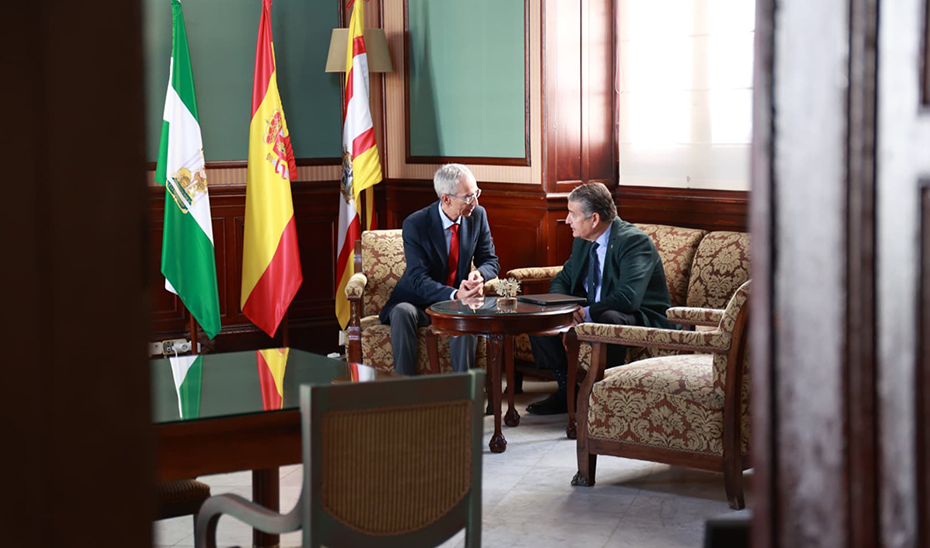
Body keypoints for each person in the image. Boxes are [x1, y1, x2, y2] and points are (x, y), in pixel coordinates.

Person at [526, 182, 673, 414]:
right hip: (597, 308)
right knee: (541, 315)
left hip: (638, 316)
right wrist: (568, 310)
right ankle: (566, 390)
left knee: (608, 318)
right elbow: (561, 280)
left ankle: (604, 395)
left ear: (594, 219)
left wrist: (584, 313)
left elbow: (628, 298)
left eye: (573, 214)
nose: (567, 220)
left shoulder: (633, 242)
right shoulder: (583, 241)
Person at [379, 164, 500, 375]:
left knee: (466, 313)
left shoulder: (478, 215)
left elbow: (491, 261)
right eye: (469, 197)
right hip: (417, 301)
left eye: (476, 193)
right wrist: (455, 294)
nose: (476, 202)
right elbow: (418, 278)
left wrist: (478, 274)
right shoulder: (416, 223)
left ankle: (464, 388)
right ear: (446, 199)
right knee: (401, 312)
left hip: (457, 305)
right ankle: (405, 386)